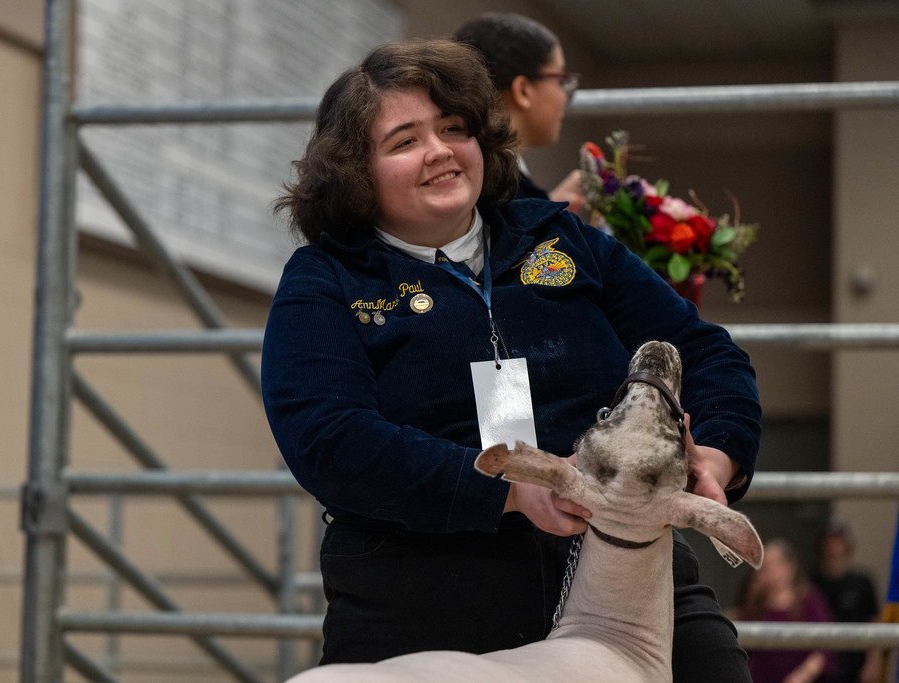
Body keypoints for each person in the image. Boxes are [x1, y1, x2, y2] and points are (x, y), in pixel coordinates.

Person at [262, 38, 761, 680]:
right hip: (423, 598)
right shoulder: (326, 279)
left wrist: (714, 453)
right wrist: (507, 489)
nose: (439, 151)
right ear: (357, 171)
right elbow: (328, 439)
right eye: (404, 140)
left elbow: (706, 351)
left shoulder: (563, 239)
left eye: (453, 128)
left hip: (624, 579)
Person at [455, 12, 584, 206]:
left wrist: (549, 208)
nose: (564, 95)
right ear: (523, 91)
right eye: (560, 80)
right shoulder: (496, 191)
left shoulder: (463, 173)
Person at [731, 538, 837, 683]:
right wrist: (753, 591)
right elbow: (735, 638)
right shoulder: (755, 600)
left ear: (789, 566)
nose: (767, 570)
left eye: (772, 564)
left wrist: (803, 675)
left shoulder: (809, 599)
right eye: (762, 565)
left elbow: (826, 645)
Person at [811, 519, 882, 683]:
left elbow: (874, 623)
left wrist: (873, 663)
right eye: (829, 540)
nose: (834, 546)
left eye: (838, 540)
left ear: (848, 545)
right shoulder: (811, 583)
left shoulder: (863, 582)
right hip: (822, 666)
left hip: (855, 663)